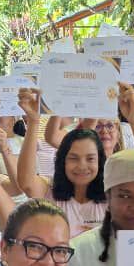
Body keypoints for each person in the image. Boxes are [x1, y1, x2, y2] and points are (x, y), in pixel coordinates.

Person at [16, 90, 109, 237]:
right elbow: (26, 183)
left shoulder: (112, 196)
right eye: (73, 158)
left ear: (100, 161)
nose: (82, 166)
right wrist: (33, 122)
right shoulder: (51, 193)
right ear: (62, 161)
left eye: (90, 158)